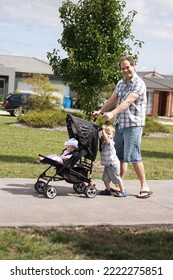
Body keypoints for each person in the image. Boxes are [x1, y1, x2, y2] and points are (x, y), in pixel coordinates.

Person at [92, 56, 152, 199]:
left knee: (133, 156)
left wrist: (112, 113)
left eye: (127, 67)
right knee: (119, 156)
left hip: (133, 125)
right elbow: (112, 99)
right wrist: (100, 111)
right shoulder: (121, 83)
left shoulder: (139, 83)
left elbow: (127, 101)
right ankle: (119, 185)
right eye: (122, 68)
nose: (125, 70)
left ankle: (145, 186)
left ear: (134, 66)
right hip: (120, 124)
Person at [99, 124, 126, 197]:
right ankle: (108, 190)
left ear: (113, 136)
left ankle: (123, 191)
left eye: (109, 133)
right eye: (106, 133)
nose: (107, 135)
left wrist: (103, 131)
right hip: (107, 165)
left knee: (117, 178)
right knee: (105, 179)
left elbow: (107, 139)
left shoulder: (110, 142)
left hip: (113, 165)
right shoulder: (103, 142)